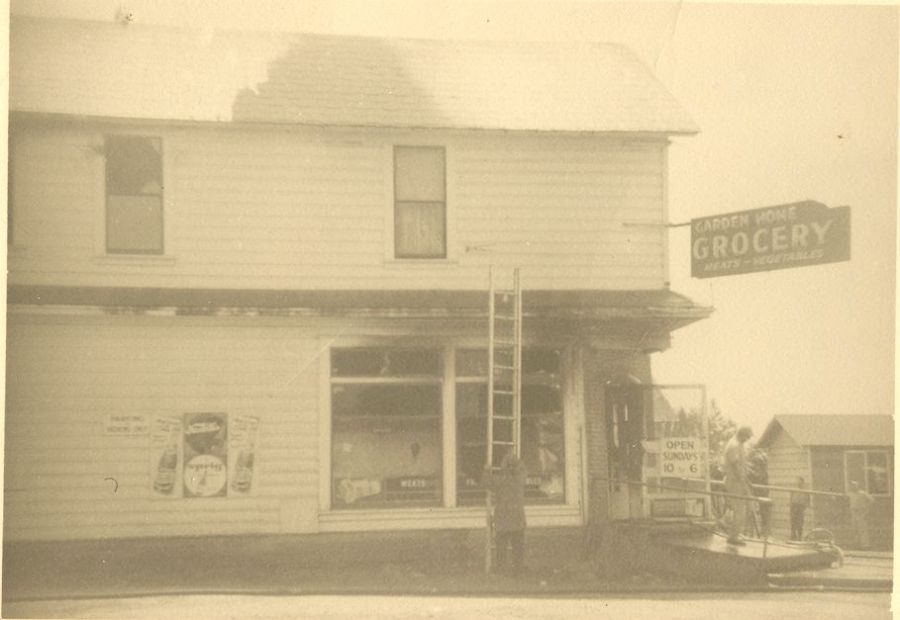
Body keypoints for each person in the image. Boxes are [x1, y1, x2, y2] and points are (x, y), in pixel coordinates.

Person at [483, 450, 527, 575]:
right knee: (518, 547)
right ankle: (519, 569)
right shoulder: (520, 479)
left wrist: (486, 470)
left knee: (501, 546)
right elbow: (523, 468)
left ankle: (502, 569)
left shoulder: (501, 480)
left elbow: (486, 482)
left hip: (503, 518)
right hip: (517, 518)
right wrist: (515, 461)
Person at [723, 426, 753, 546]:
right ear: (742, 434)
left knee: (741, 509)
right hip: (734, 482)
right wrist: (742, 481)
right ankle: (733, 537)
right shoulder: (734, 445)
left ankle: (735, 533)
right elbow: (735, 465)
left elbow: (741, 464)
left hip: (739, 481)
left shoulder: (739, 444)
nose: (747, 439)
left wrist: (746, 480)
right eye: (747, 437)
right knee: (739, 510)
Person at [847, 481, 874, 549]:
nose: (854, 487)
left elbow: (872, 500)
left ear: (858, 486)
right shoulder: (850, 494)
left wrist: (866, 509)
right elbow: (845, 498)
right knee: (854, 529)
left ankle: (865, 545)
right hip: (853, 513)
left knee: (863, 529)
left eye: (855, 486)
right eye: (852, 486)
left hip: (861, 513)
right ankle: (857, 545)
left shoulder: (862, 493)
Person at [789, 476, 811, 541]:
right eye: (797, 481)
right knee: (793, 521)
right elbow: (791, 497)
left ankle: (799, 537)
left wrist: (806, 506)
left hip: (800, 507)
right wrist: (791, 504)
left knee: (800, 522)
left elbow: (808, 499)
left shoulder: (805, 490)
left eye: (799, 481)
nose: (798, 483)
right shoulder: (793, 489)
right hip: (794, 506)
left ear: (802, 482)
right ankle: (793, 536)